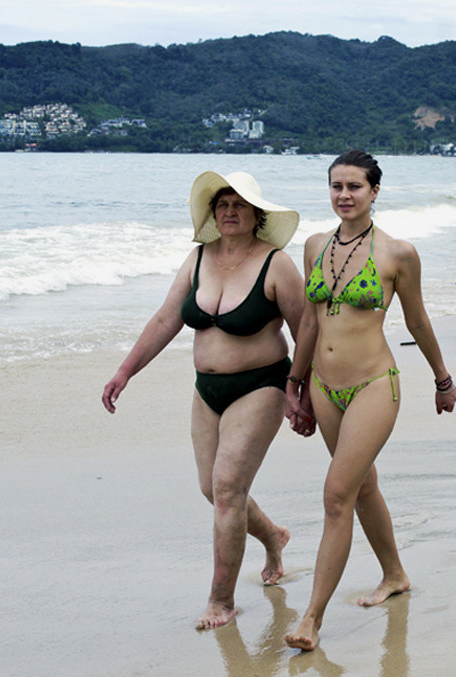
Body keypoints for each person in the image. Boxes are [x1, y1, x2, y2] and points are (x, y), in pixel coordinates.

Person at [102, 170, 315, 630]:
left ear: (257, 214)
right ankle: (273, 536)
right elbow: (166, 319)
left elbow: (306, 331)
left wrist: (303, 393)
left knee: (227, 490)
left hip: (262, 384)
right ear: (213, 214)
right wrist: (125, 371)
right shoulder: (198, 258)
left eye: (239, 204)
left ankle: (221, 601)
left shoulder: (276, 264)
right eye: (222, 204)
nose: (230, 211)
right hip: (207, 390)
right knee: (212, 489)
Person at [283, 150, 456, 651]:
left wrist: (442, 379)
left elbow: (417, 320)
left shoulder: (398, 254)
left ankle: (310, 619)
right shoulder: (315, 246)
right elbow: (310, 322)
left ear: (375, 191)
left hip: (374, 385)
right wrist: (295, 383)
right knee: (361, 487)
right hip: (324, 387)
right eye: (336, 186)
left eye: (354, 186)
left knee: (336, 494)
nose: (344, 195)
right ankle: (395, 574)